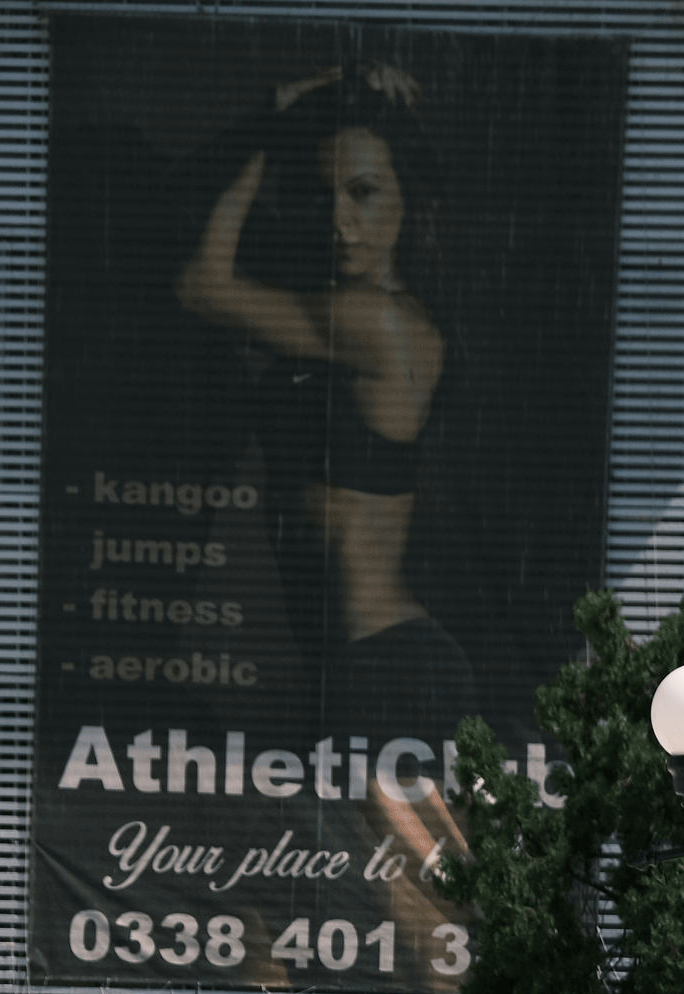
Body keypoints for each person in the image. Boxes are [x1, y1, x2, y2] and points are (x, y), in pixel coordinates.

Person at [175, 62, 476, 774]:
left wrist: (282, 113)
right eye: (324, 195)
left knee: (401, 886)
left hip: (389, 662)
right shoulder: (345, 310)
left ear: (408, 203)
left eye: (365, 194)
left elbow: (201, 285)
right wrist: (314, 90)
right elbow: (183, 202)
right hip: (351, 660)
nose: (341, 221)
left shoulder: (377, 322)